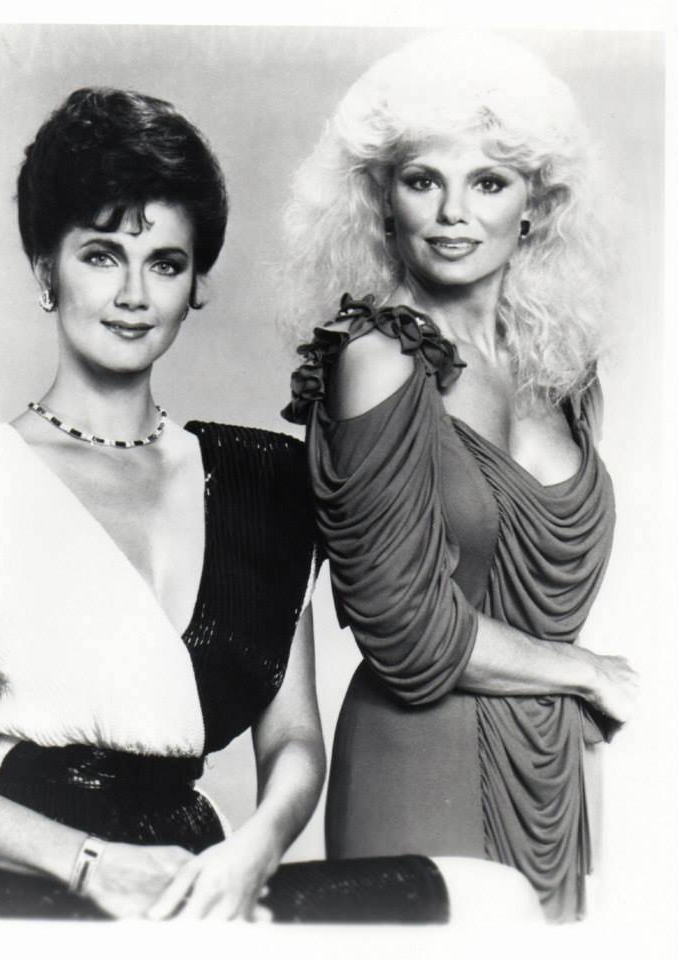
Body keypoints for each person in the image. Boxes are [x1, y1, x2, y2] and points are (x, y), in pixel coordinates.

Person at [0, 86, 326, 921]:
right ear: (46, 270)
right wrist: (89, 866)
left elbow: (295, 737)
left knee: (493, 900)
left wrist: (255, 849)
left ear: (195, 285)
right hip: (17, 881)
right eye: (101, 255)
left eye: (165, 263)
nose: (133, 295)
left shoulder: (265, 479)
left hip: (198, 877)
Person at [282, 33, 639, 922]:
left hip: (555, 762)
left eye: (488, 182)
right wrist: (583, 670)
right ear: (383, 201)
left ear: (535, 205)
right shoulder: (378, 358)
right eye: (422, 180)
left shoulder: (559, 366)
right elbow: (406, 632)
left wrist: (574, 689)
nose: (452, 213)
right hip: (421, 756)